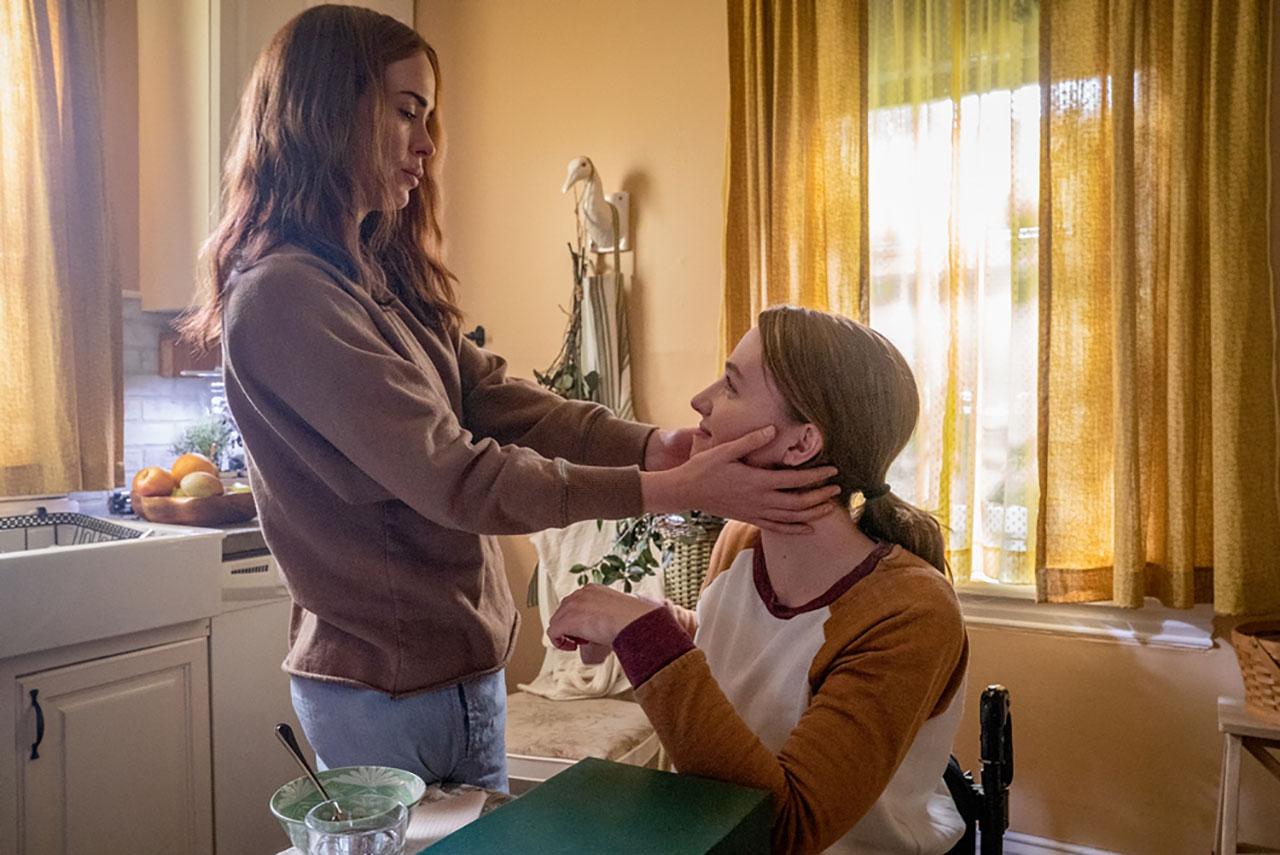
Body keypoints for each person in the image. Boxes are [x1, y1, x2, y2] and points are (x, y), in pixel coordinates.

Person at [179, 6, 839, 793]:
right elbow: (458, 478)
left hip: (459, 674)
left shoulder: (377, 277)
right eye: (406, 112)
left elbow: (495, 398)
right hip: (382, 693)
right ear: (328, 113)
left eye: (429, 117)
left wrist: (651, 444)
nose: (427, 144)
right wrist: (667, 488)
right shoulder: (285, 296)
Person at [549, 306, 969, 853]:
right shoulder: (741, 544)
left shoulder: (911, 611)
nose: (700, 400)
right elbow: (759, 658)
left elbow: (785, 829)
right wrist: (663, 625)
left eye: (731, 385)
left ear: (800, 445)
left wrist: (645, 637)